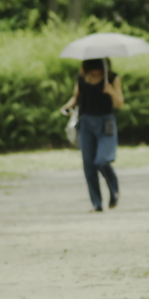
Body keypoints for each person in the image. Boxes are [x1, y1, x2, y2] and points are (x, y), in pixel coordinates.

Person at [60, 58, 125, 212]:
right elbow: (76, 98)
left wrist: (111, 92)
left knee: (102, 161)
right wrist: (67, 107)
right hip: (86, 123)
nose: (95, 71)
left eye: (98, 68)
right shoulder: (82, 79)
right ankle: (96, 203)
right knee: (89, 165)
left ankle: (114, 190)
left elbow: (120, 104)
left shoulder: (113, 78)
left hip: (106, 123)